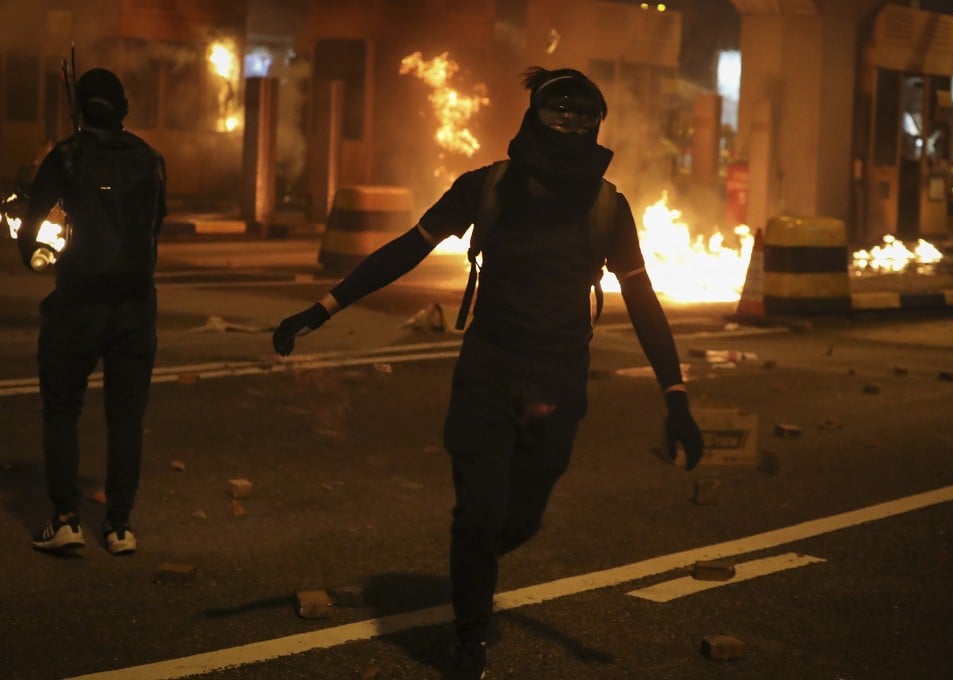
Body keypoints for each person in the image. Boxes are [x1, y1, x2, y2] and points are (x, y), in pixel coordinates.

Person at [273, 66, 703, 679]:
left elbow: (642, 300)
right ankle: (469, 641)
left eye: (584, 118)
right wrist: (323, 308)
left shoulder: (609, 205)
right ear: (534, 114)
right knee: (476, 513)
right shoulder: (486, 187)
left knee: (520, 517)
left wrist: (676, 394)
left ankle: (473, 566)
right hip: (490, 368)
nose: (570, 126)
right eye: (560, 113)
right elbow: (408, 248)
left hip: (559, 377)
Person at [18, 67, 167, 556]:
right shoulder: (150, 159)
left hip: (78, 305)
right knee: (126, 418)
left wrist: (38, 250)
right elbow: (156, 224)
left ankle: (65, 519)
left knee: (62, 410)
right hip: (136, 306)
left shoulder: (66, 155)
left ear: (79, 109)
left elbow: (31, 226)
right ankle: (120, 526)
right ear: (123, 109)